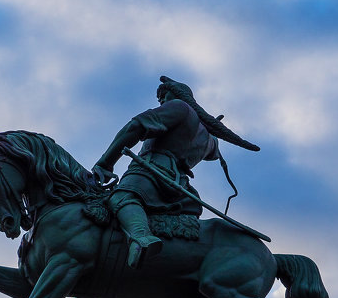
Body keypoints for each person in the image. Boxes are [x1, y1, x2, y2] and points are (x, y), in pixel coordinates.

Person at [92, 75, 260, 268]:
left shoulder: (180, 107)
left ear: (180, 95)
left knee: (121, 198)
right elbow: (213, 153)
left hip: (152, 173)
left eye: (165, 95)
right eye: (160, 98)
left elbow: (135, 126)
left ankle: (141, 237)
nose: (162, 101)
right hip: (180, 187)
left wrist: (105, 163)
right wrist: (208, 128)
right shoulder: (208, 138)